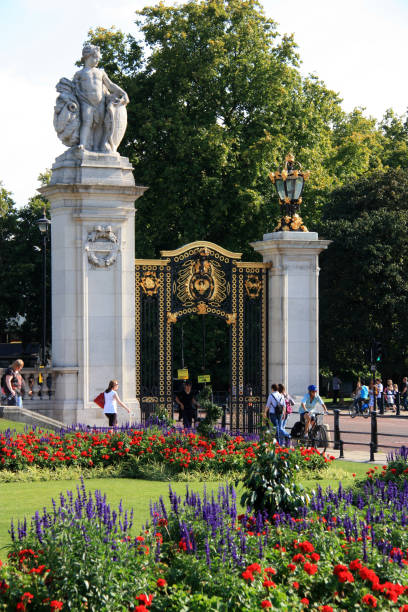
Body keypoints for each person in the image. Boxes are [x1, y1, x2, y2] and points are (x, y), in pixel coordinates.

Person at [73, 44, 129, 152]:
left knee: (99, 124)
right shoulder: (79, 73)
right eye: (95, 57)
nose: (97, 60)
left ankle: (97, 147)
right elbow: (73, 89)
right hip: (86, 101)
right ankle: (83, 144)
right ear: (87, 57)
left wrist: (123, 93)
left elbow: (110, 85)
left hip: (100, 102)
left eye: (98, 58)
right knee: (87, 122)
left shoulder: (101, 72)